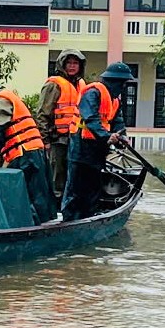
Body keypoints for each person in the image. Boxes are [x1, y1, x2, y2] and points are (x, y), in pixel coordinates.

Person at [0, 72, 58, 225]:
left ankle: (32, 229)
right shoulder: (8, 96)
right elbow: (6, 135)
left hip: (25, 154)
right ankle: (45, 225)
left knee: (26, 194)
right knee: (40, 193)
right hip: (35, 150)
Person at [60, 61, 134, 222]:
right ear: (113, 82)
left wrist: (123, 137)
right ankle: (69, 219)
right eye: (121, 83)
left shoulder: (115, 101)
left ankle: (88, 217)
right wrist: (107, 136)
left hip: (97, 149)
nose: (122, 87)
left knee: (93, 186)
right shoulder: (93, 93)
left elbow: (118, 122)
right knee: (75, 186)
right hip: (80, 147)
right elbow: (90, 118)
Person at [37, 49, 86, 196]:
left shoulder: (81, 85)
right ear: (62, 65)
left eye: (75, 63)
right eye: (69, 63)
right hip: (57, 140)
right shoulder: (54, 85)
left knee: (74, 176)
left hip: (76, 139)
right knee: (57, 176)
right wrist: (45, 141)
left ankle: (70, 205)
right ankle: (56, 207)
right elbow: (42, 114)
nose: (72, 66)